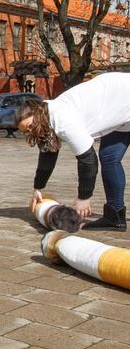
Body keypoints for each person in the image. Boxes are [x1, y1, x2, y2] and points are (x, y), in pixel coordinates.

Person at [17, 72, 130, 231]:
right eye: (25, 131)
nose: (30, 132)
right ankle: (115, 217)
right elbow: (48, 154)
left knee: (107, 157)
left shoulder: (62, 118)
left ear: (38, 114)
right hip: (119, 109)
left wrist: (84, 197)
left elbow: (88, 159)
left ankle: (115, 215)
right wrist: (38, 188)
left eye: (30, 127)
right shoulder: (45, 117)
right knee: (109, 157)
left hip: (122, 96)